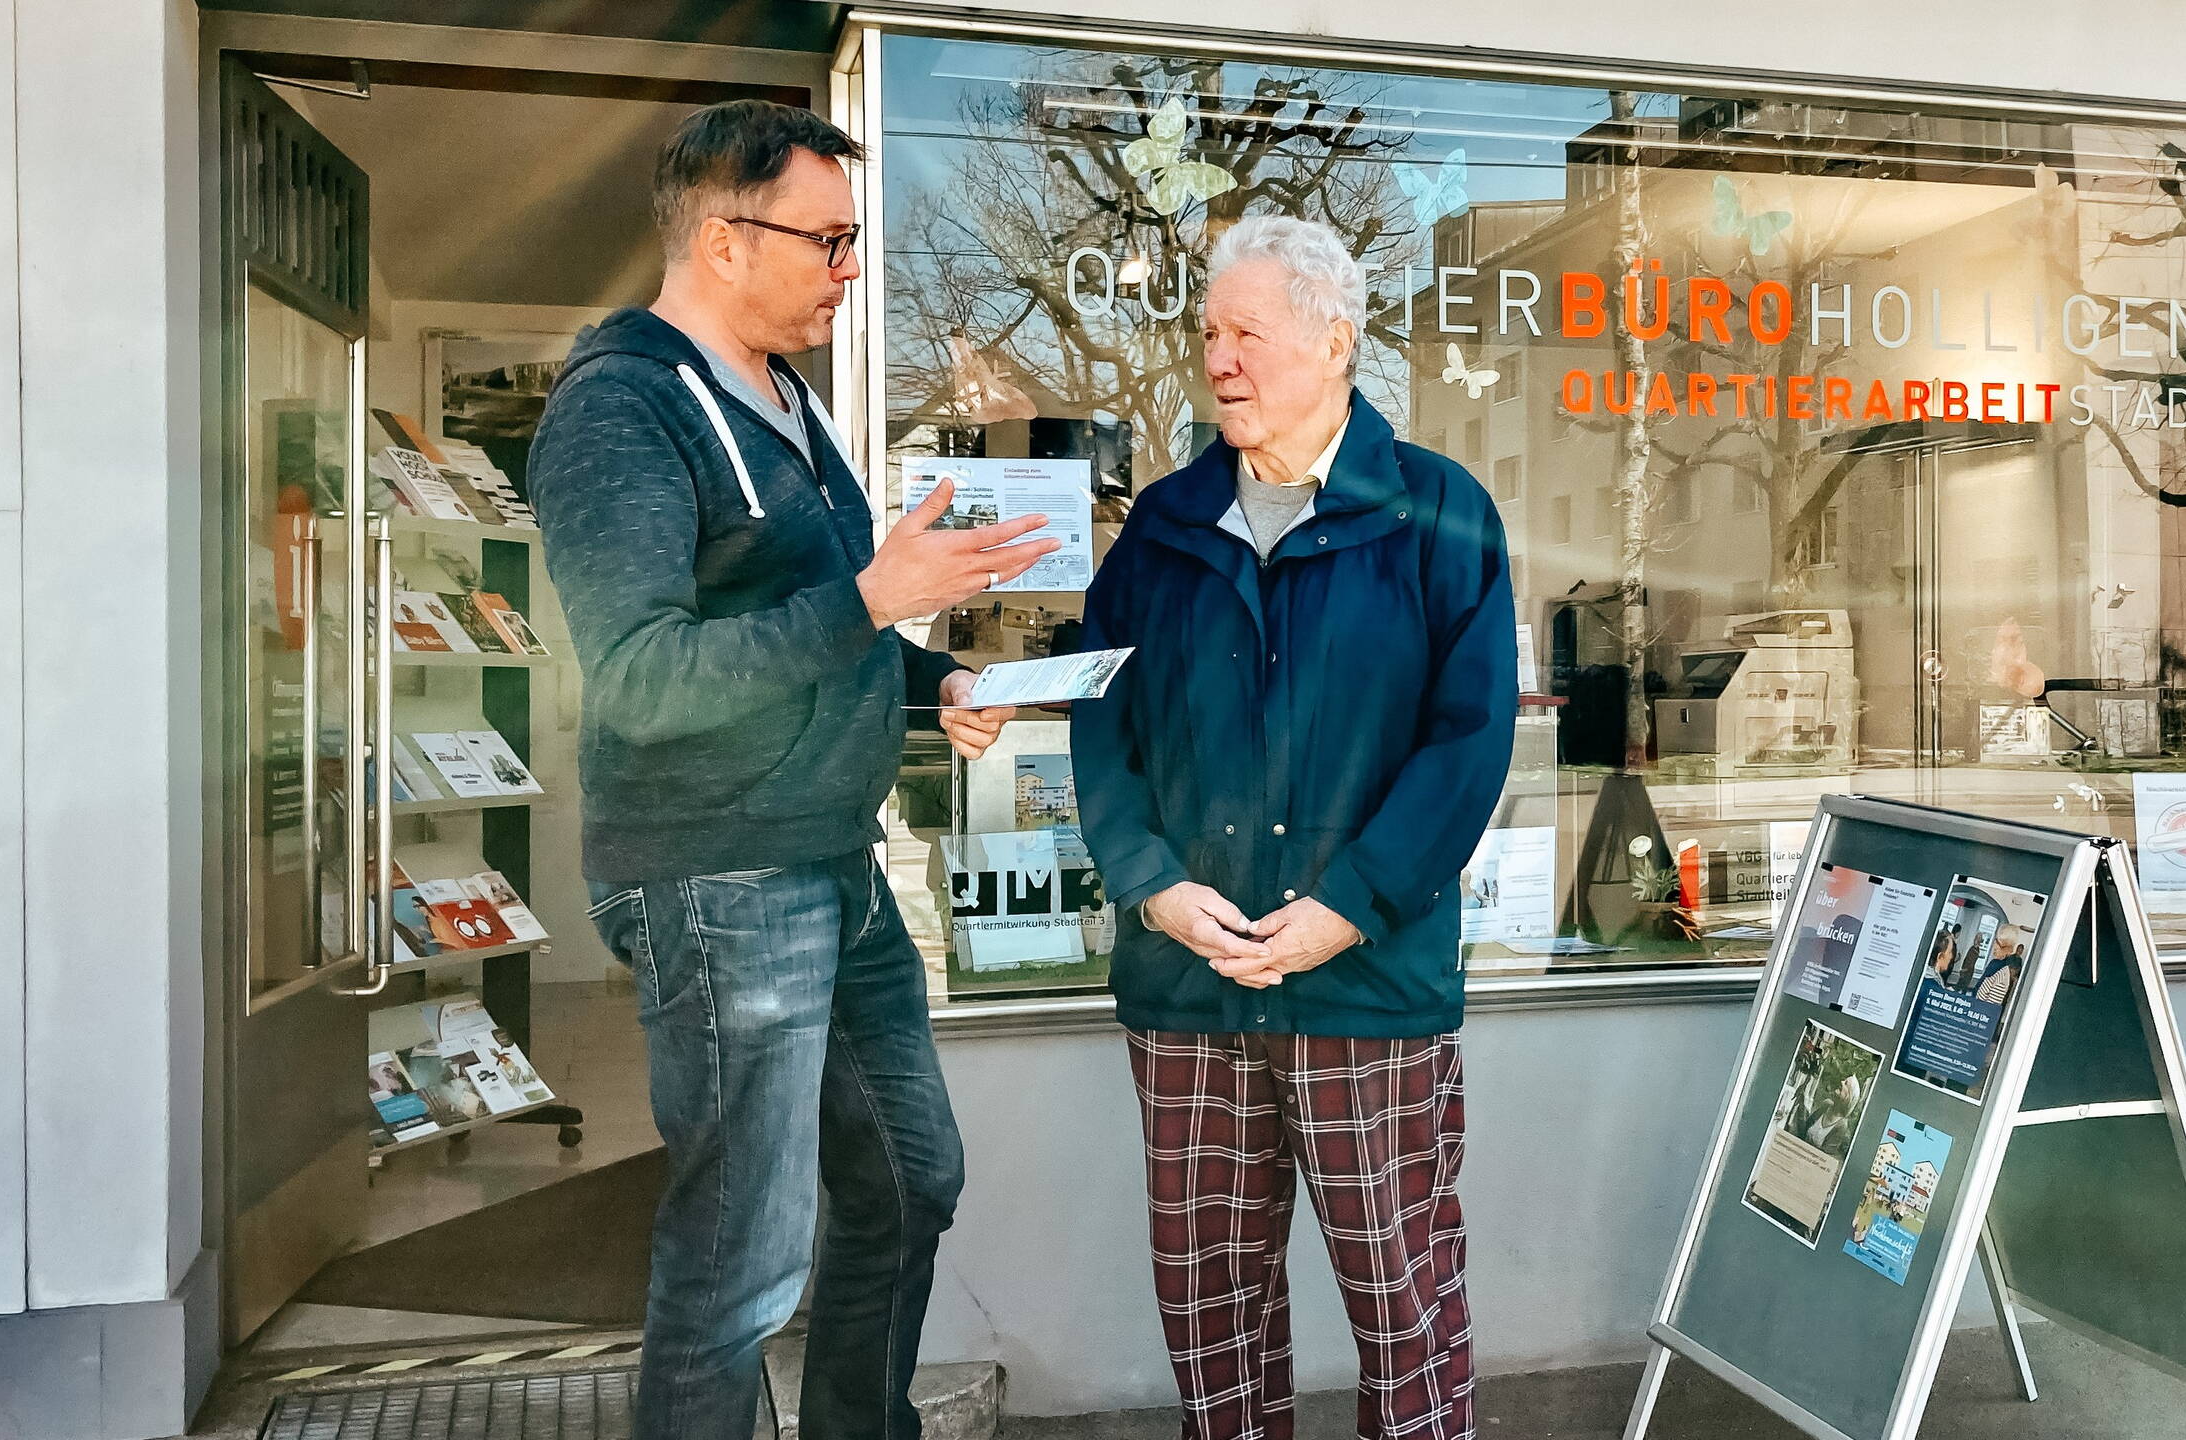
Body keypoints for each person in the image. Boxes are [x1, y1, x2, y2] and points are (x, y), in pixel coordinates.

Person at [527, 101, 1057, 1440]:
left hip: (834, 861)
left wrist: (932, 683)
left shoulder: (792, 406)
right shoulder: (622, 409)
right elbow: (643, 684)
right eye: (826, 240)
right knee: (740, 1259)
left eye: (853, 239)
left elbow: (825, 622)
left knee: (907, 1177)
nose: (848, 268)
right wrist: (876, 607)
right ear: (718, 238)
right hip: (718, 877)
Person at [1071, 215, 1517, 1440]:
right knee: (1210, 1307)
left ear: (1335, 339)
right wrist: (1150, 884)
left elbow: (1468, 745)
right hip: (1191, 979)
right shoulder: (1162, 527)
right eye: (1208, 332)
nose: (1218, 357)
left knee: (1402, 1302)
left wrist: (1346, 909)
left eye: (1247, 333)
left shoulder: (1438, 515)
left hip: (1363, 988)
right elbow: (1101, 723)